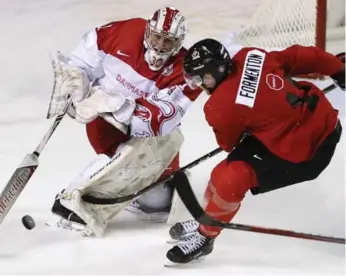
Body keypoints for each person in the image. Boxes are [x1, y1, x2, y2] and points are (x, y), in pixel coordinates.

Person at [165, 38, 345, 264]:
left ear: (216, 71)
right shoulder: (251, 55)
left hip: (307, 155)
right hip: (324, 120)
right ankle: (208, 217)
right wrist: (338, 69)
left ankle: (206, 236)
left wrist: (246, 117)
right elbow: (300, 56)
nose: (200, 85)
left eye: (202, 78)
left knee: (230, 177)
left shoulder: (218, 107)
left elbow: (228, 144)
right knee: (223, 173)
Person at [46, 7, 201, 237]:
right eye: (156, 36)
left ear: (178, 43)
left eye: (168, 41)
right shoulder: (124, 33)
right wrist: (75, 79)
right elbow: (81, 61)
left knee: (158, 203)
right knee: (123, 169)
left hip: (151, 141)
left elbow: (161, 121)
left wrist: (116, 104)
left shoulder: (185, 71)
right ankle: (73, 201)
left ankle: (122, 189)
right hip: (105, 127)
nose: (159, 45)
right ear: (148, 31)